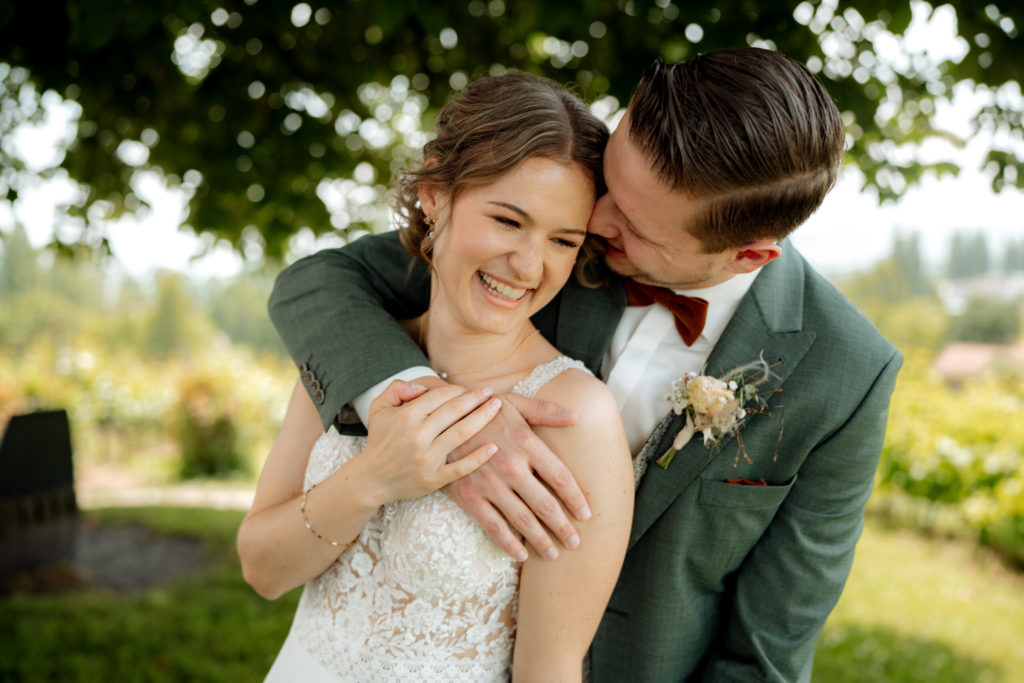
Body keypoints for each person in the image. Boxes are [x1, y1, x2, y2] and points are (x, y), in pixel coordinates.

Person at [268, 48, 902, 681]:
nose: (594, 219)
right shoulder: (547, 234)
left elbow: (768, 651)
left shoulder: (846, 375)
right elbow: (318, 287)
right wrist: (436, 411)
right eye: (610, 184)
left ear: (748, 257)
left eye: (632, 226)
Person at [238, 72, 633, 681]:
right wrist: (374, 477)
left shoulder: (574, 416)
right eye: (507, 221)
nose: (529, 265)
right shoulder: (356, 353)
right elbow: (263, 572)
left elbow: (548, 670)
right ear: (434, 192)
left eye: (562, 239)